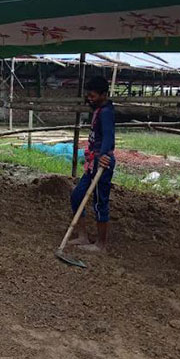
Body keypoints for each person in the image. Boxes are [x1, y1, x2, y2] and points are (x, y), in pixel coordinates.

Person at [69, 76, 116, 252]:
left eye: (93, 96)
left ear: (104, 95)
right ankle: (82, 236)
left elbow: (109, 136)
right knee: (77, 196)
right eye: (88, 95)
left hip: (102, 161)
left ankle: (101, 244)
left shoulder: (106, 112)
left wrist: (103, 155)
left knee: (99, 202)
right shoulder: (98, 109)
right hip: (93, 161)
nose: (89, 98)